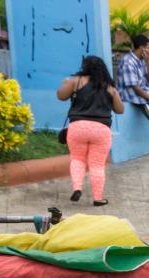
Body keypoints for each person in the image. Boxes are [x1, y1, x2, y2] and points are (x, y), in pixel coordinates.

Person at [56, 55, 123, 206]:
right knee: (97, 165)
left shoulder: (76, 81)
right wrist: (113, 94)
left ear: (85, 67)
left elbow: (61, 96)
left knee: (77, 159)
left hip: (78, 127)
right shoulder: (109, 87)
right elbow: (120, 110)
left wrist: (66, 83)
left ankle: (77, 188)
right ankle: (98, 199)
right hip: (101, 130)